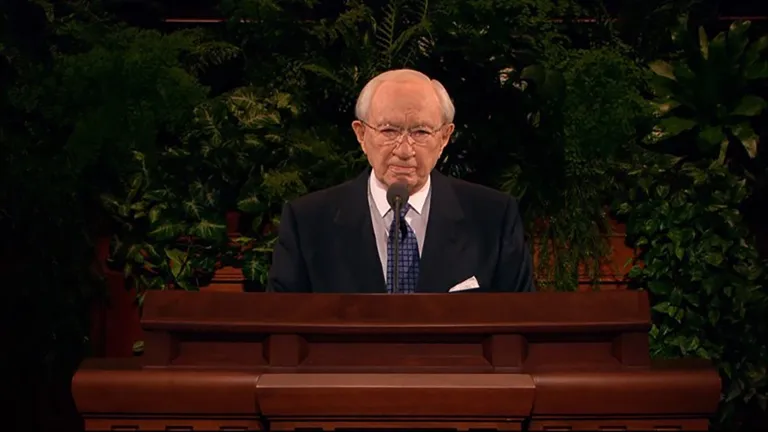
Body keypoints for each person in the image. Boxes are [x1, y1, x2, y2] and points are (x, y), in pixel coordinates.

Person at [267, 69, 535, 293]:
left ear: (444, 137)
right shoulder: (308, 222)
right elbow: (282, 326)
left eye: (420, 132)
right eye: (389, 131)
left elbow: (520, 324)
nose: (405, 150)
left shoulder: (493, 218)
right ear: (361, 135)